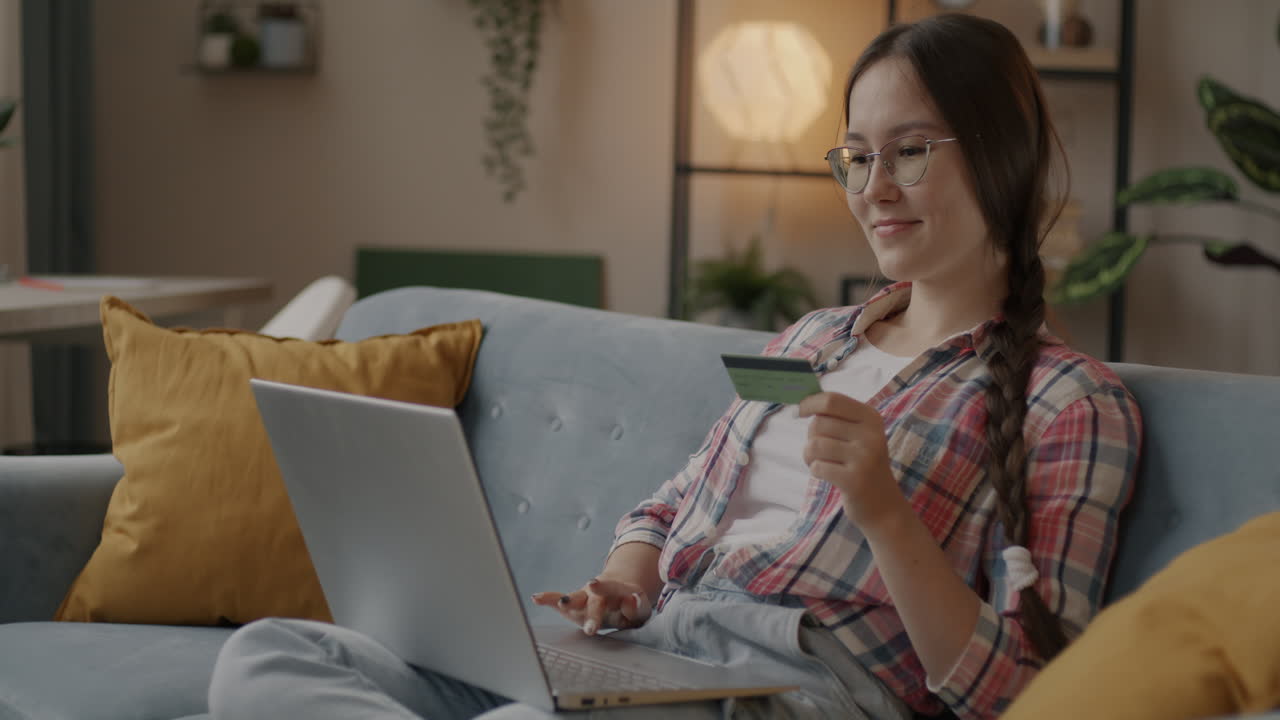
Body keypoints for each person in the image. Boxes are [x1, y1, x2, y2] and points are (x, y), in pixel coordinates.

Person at [208, 13, 1142, 720]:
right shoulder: (813, 340)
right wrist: (627, 582)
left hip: (794, 686)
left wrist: (887, 517)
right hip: (657, 647)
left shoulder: (1069, 404)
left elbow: (1028, 693)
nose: (873, 189)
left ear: (1003, 157)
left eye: (907, 152)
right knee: (272, 657)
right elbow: (670, 505)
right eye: (856, 157)